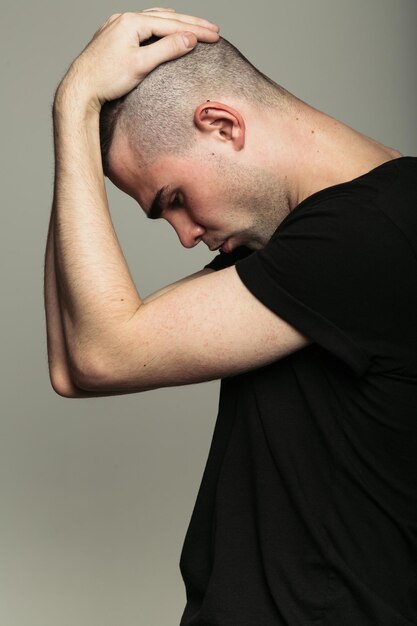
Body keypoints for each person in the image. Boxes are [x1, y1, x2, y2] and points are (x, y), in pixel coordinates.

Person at [44, 7, 417, 625]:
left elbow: (103, 351)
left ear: (221, 124)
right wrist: (77, 140)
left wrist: (74, 103)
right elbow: (72, 366)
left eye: (175, 201)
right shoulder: (307, 239)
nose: (185, 236)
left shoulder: (370, 234)